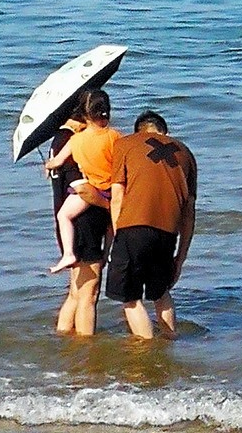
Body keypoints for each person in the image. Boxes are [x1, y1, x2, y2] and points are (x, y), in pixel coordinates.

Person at [106, 110, 198, 340]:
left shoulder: (125, 144)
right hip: (168, 232)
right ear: (166, 132)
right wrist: (181, 257)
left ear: (138, 131)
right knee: (161, 292)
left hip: (132, 226)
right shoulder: (185, 153)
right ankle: (170, 340)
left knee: (130, 298)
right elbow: (189, 213)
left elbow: (117, 195)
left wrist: (118, 234)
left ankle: (148, 351)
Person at [49, 106, 111, 336]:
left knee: (76, 292)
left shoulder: (59, 139)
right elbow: (83, 189)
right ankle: (87, 356)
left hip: (72, 226)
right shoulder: (73, 140)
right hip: (86, 224)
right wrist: (109, 206)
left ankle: (64, 343)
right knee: (89, 294)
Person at [43, 89, 121, 271]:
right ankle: (108, 253)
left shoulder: (75, 140)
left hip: (92, 188)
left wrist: (48, 165)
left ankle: (68, 254)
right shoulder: (115, 137)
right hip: (112, 189)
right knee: (111, 226)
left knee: (64, 215)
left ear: (84, 114)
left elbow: (58, 161)